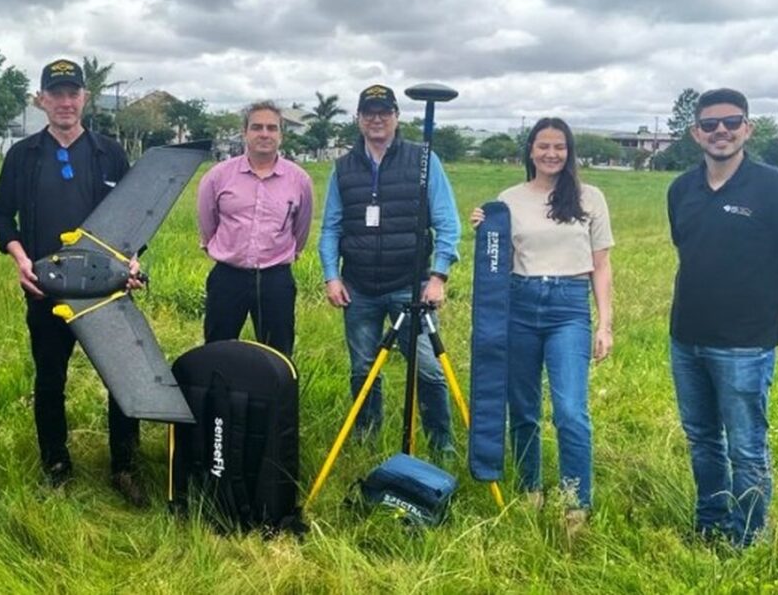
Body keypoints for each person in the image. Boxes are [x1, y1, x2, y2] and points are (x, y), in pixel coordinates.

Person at [0, 58, 146, 505]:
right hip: (47, 292)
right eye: (55, 93)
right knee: (49, 381)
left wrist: (131, 261)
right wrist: (21, 259)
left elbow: (136, 217)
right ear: (41, 99)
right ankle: (56, 465)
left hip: (105, 293)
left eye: (72, 93)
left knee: (122, 378)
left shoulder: (109, 152)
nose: (65, 101)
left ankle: (125, 466)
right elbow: (1, 215)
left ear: (85, 98)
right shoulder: (23, 156)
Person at [471, 117, 613, 534]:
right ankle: (529, 488)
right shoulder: (508, 199)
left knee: (570, 412)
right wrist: (485, 227)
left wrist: (605, 324)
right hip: (520, 303)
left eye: (560, 147)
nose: (552, 154)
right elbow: (498, 260)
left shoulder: (590, 197)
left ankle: (575, 503)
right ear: (530, 150)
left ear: (569, 152)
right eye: (543, 146)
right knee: (523, 409)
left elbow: (602, 265)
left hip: (569, 306)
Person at [667, 88, 778, 547]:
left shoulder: (776, 188)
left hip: (746, 343)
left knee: (747, 447)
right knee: (702, 439)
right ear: (696, 132)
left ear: (748, 128)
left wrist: (776, 316)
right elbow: (687, 250)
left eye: (732, 122)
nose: (721, 131)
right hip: (686, 337)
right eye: (710, 124)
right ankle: (710, 523)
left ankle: (747, 538)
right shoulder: (681, 190)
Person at [318, 84, 460, 455]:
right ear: (359, 119)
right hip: (359, 288)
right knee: (363, 369)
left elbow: (447, 222)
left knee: (428, 369)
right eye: (369, 112)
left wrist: (438, 276)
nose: (377, 119)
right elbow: (331, 227)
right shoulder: (343, 168)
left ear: (397, 117)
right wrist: (332, 276)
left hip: (410, 286)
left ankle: (441, 444)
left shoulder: (423, 160)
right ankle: (366, 440)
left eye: (384, 112)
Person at [196, 101, 313, 357]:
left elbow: (301, 229)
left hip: (275, 279)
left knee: (278, 353)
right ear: (245, 132)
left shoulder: (299, 180)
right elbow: (207, 224)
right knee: (216, 350)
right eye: (257, 127)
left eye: (272, 128)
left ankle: (275, 387)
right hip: (228, 277)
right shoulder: (218, 176)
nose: (264, 134)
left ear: (281, 134)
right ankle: (219, 386)